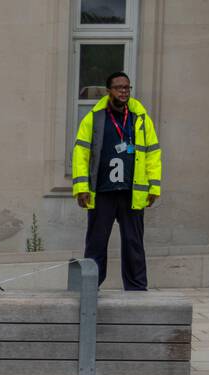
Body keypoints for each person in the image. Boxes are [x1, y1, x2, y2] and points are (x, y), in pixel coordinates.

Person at [72, 72, 162, 291]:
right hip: (102, 192)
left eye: (127, 88)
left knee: (134, 243)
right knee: (96, 243)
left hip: (132, 193)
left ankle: (137, 288)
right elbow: (80, 155)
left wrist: (154, 187)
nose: (124, 91)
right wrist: (81, 188)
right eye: (119, 87)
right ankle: (89, 288)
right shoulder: (94, 118)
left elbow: (153, 153)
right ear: (108, 90)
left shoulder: (140, 118)